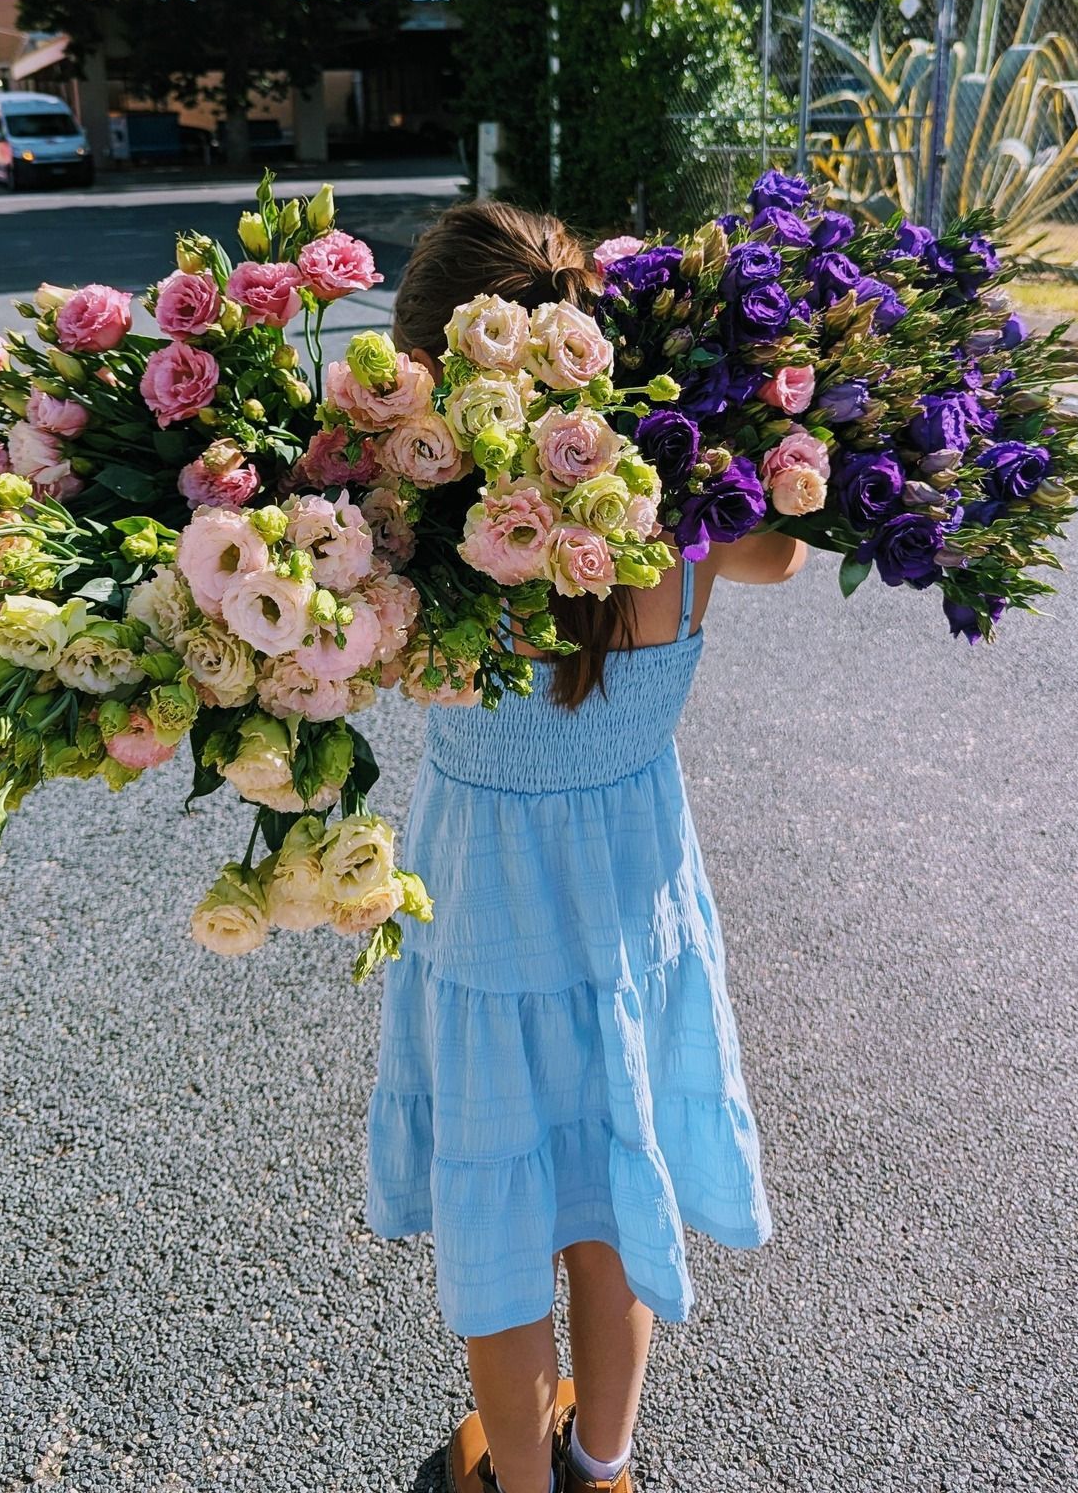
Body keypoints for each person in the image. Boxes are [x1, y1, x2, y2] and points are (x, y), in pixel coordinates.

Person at [365, 201, 805, 1493]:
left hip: (481, 912)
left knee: (502, 1209)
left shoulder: (406, 532)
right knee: (615, 1201)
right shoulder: (685, 521)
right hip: (631, 905)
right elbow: (782, 545)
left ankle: (510, 1475)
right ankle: (602, 1465)